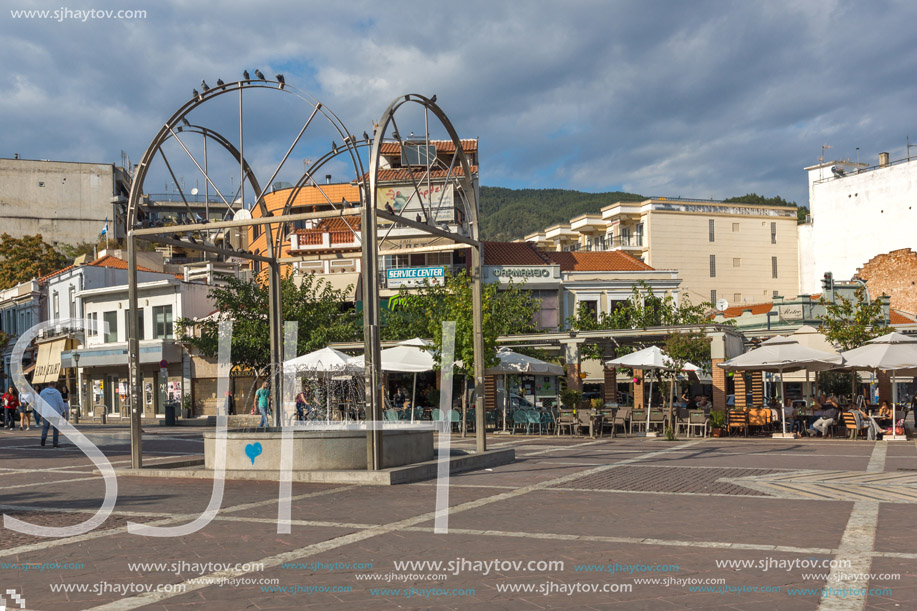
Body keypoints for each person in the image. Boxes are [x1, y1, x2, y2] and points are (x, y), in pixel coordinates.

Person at [39, 383, 68, 448]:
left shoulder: (43, 392)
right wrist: (63, 411)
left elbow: (39, 402)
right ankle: (55, 443)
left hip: (45, 412)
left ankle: (43, 439)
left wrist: (39, 411)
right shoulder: (57, 392)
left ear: (48, 385)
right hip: (55, 412)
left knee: (45, 427)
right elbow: (61, 402)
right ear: (54, 385)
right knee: (55, 428)